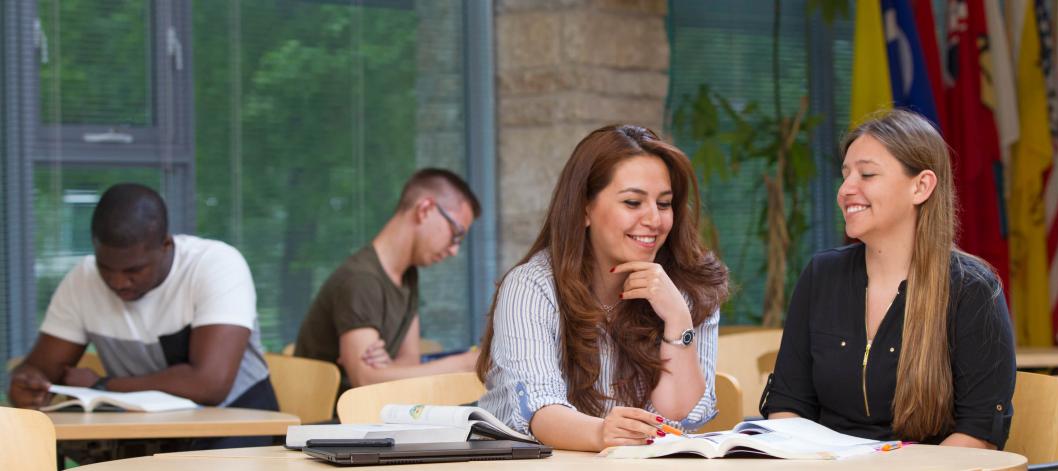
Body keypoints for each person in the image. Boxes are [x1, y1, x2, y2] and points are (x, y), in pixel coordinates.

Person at [761, 109, 1015, 449]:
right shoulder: (821, 275)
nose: (846, 189)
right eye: (845, 174)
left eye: (867, 174)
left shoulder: (973, 289)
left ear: (921, 186)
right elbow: (787, 406)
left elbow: (978, 434)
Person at [476, 124, 729, 452]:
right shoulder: (532, 287)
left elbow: (678, 413)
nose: (654, 219)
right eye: (633, 202)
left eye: (664, 204)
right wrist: (602, 433)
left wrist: (678, 320)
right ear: (585, 209)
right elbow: (539, 411)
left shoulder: (690, 287)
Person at [9, 183, 276, 448]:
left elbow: (209, 385)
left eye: (133, 270)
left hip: (237, 423)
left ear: (165, 245)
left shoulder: (216, 265)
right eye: (106, 267)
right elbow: (40, 370)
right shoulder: (83, 280)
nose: (118, 282)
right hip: (144, 431)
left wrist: (103, 385)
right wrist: (27, 387)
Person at [295, 168, 481, 392]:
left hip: (375, 414)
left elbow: (409, 361)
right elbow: (365, 382)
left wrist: (388, 369)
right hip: (332, 420)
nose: (454, 250)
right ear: (425, 209)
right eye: (456, 233)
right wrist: (464, 364)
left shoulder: (408, 275)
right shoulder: (361, 280)